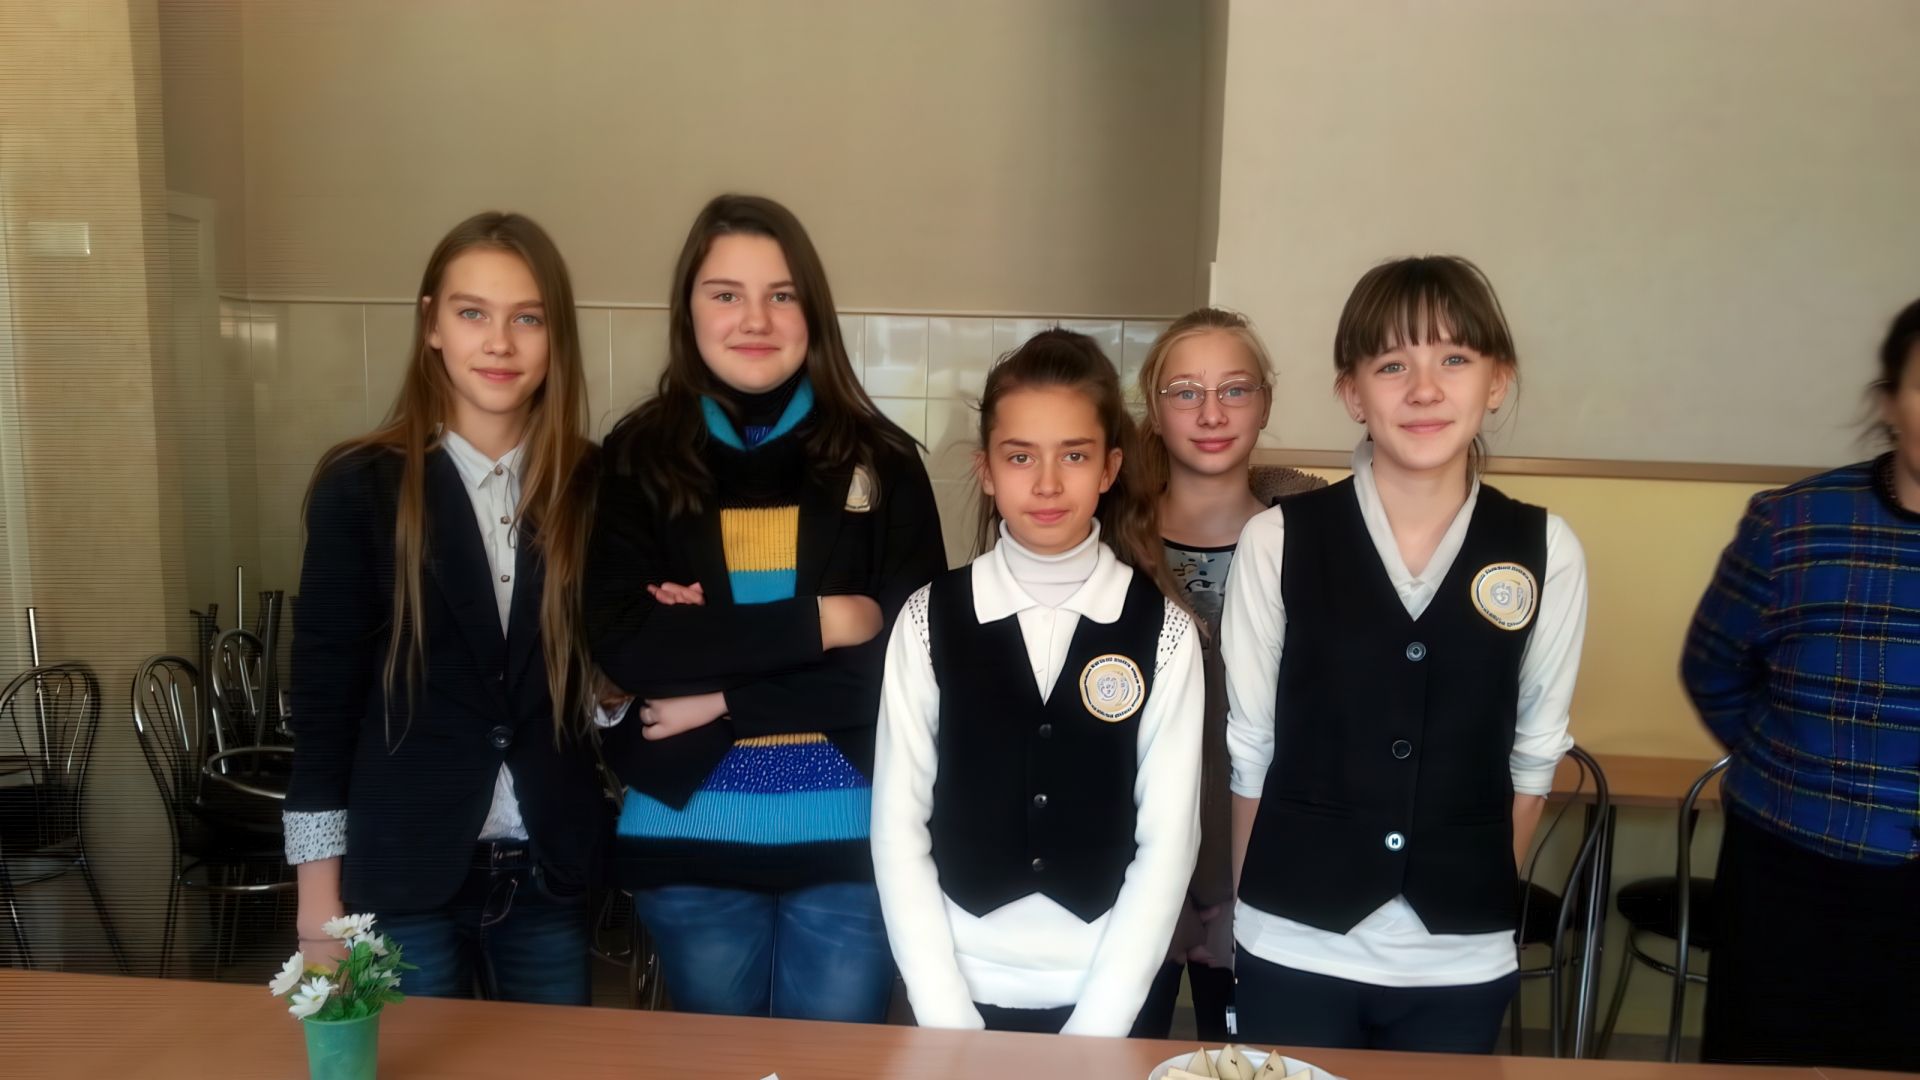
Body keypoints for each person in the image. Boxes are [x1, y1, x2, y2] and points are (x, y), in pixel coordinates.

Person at [586, 194, 945, 1022]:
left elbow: (905, 669)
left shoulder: (885, 462)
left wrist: (718, 688)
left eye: (781, 294)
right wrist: (825, 622)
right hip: (687, 833)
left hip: (857, 836)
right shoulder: (637, 457)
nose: (755, 319)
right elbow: (629, 648)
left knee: (832, 1071)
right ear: (688, 309)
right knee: (723, 1069)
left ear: (813, 310)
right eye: (726, 294)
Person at [1225, 256, 1587, 1053]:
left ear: (1497, 381)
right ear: (1352, 393)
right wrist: (1255, 918)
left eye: (1454, 359)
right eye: (1393, 365)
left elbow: (1534, 758)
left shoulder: (1544, 548)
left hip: (1460, 957)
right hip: (1294, 942)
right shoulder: (1277, 540)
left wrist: (1472, 892)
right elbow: (1252, 749)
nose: (1425, 390)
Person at [285, 211, 606, 1003]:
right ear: (432, 324)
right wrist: (317, 905)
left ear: (555, 337)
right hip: (402, 874)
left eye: (526, 318)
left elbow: (605, 684)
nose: (499, 343)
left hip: (549, 869)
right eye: (472, 314)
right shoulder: (359, 487)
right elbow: (323, 713)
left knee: (550, 1063)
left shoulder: (597, 485)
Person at [872, 328, 1204, 1036]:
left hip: (1112, 1001)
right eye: (1020, 456)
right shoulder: (929, 619)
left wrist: (1099, 1027)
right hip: (951, 993)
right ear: (987, 469)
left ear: (1110, 468)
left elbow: (1169, 841)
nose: (1047, 483)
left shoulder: (1164, 632)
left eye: (1074, 455)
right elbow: (897, 827)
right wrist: (944, 1014)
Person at [1683, 296, 1920, 1072]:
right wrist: (1792, 764)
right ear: (1888, 402)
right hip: (1790, 873)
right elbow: (1713, 667)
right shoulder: (1795, 523)